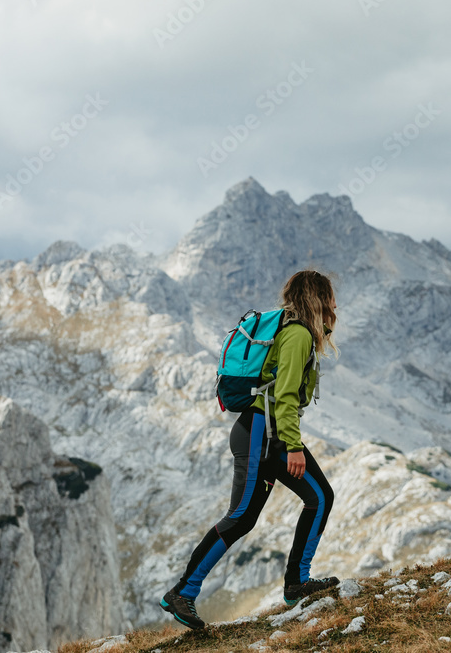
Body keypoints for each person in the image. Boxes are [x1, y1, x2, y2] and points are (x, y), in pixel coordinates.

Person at [160, 270, 340, 630]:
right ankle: (183, 593)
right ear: (317, 299)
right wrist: (293, 447)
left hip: (264, 433)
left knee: (308, 501)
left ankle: (296, 583)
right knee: (245, 514)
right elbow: (285, 397)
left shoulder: (295, 332)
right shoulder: (298, 335)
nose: (336, 304)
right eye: (331, 297)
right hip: (263, 433)